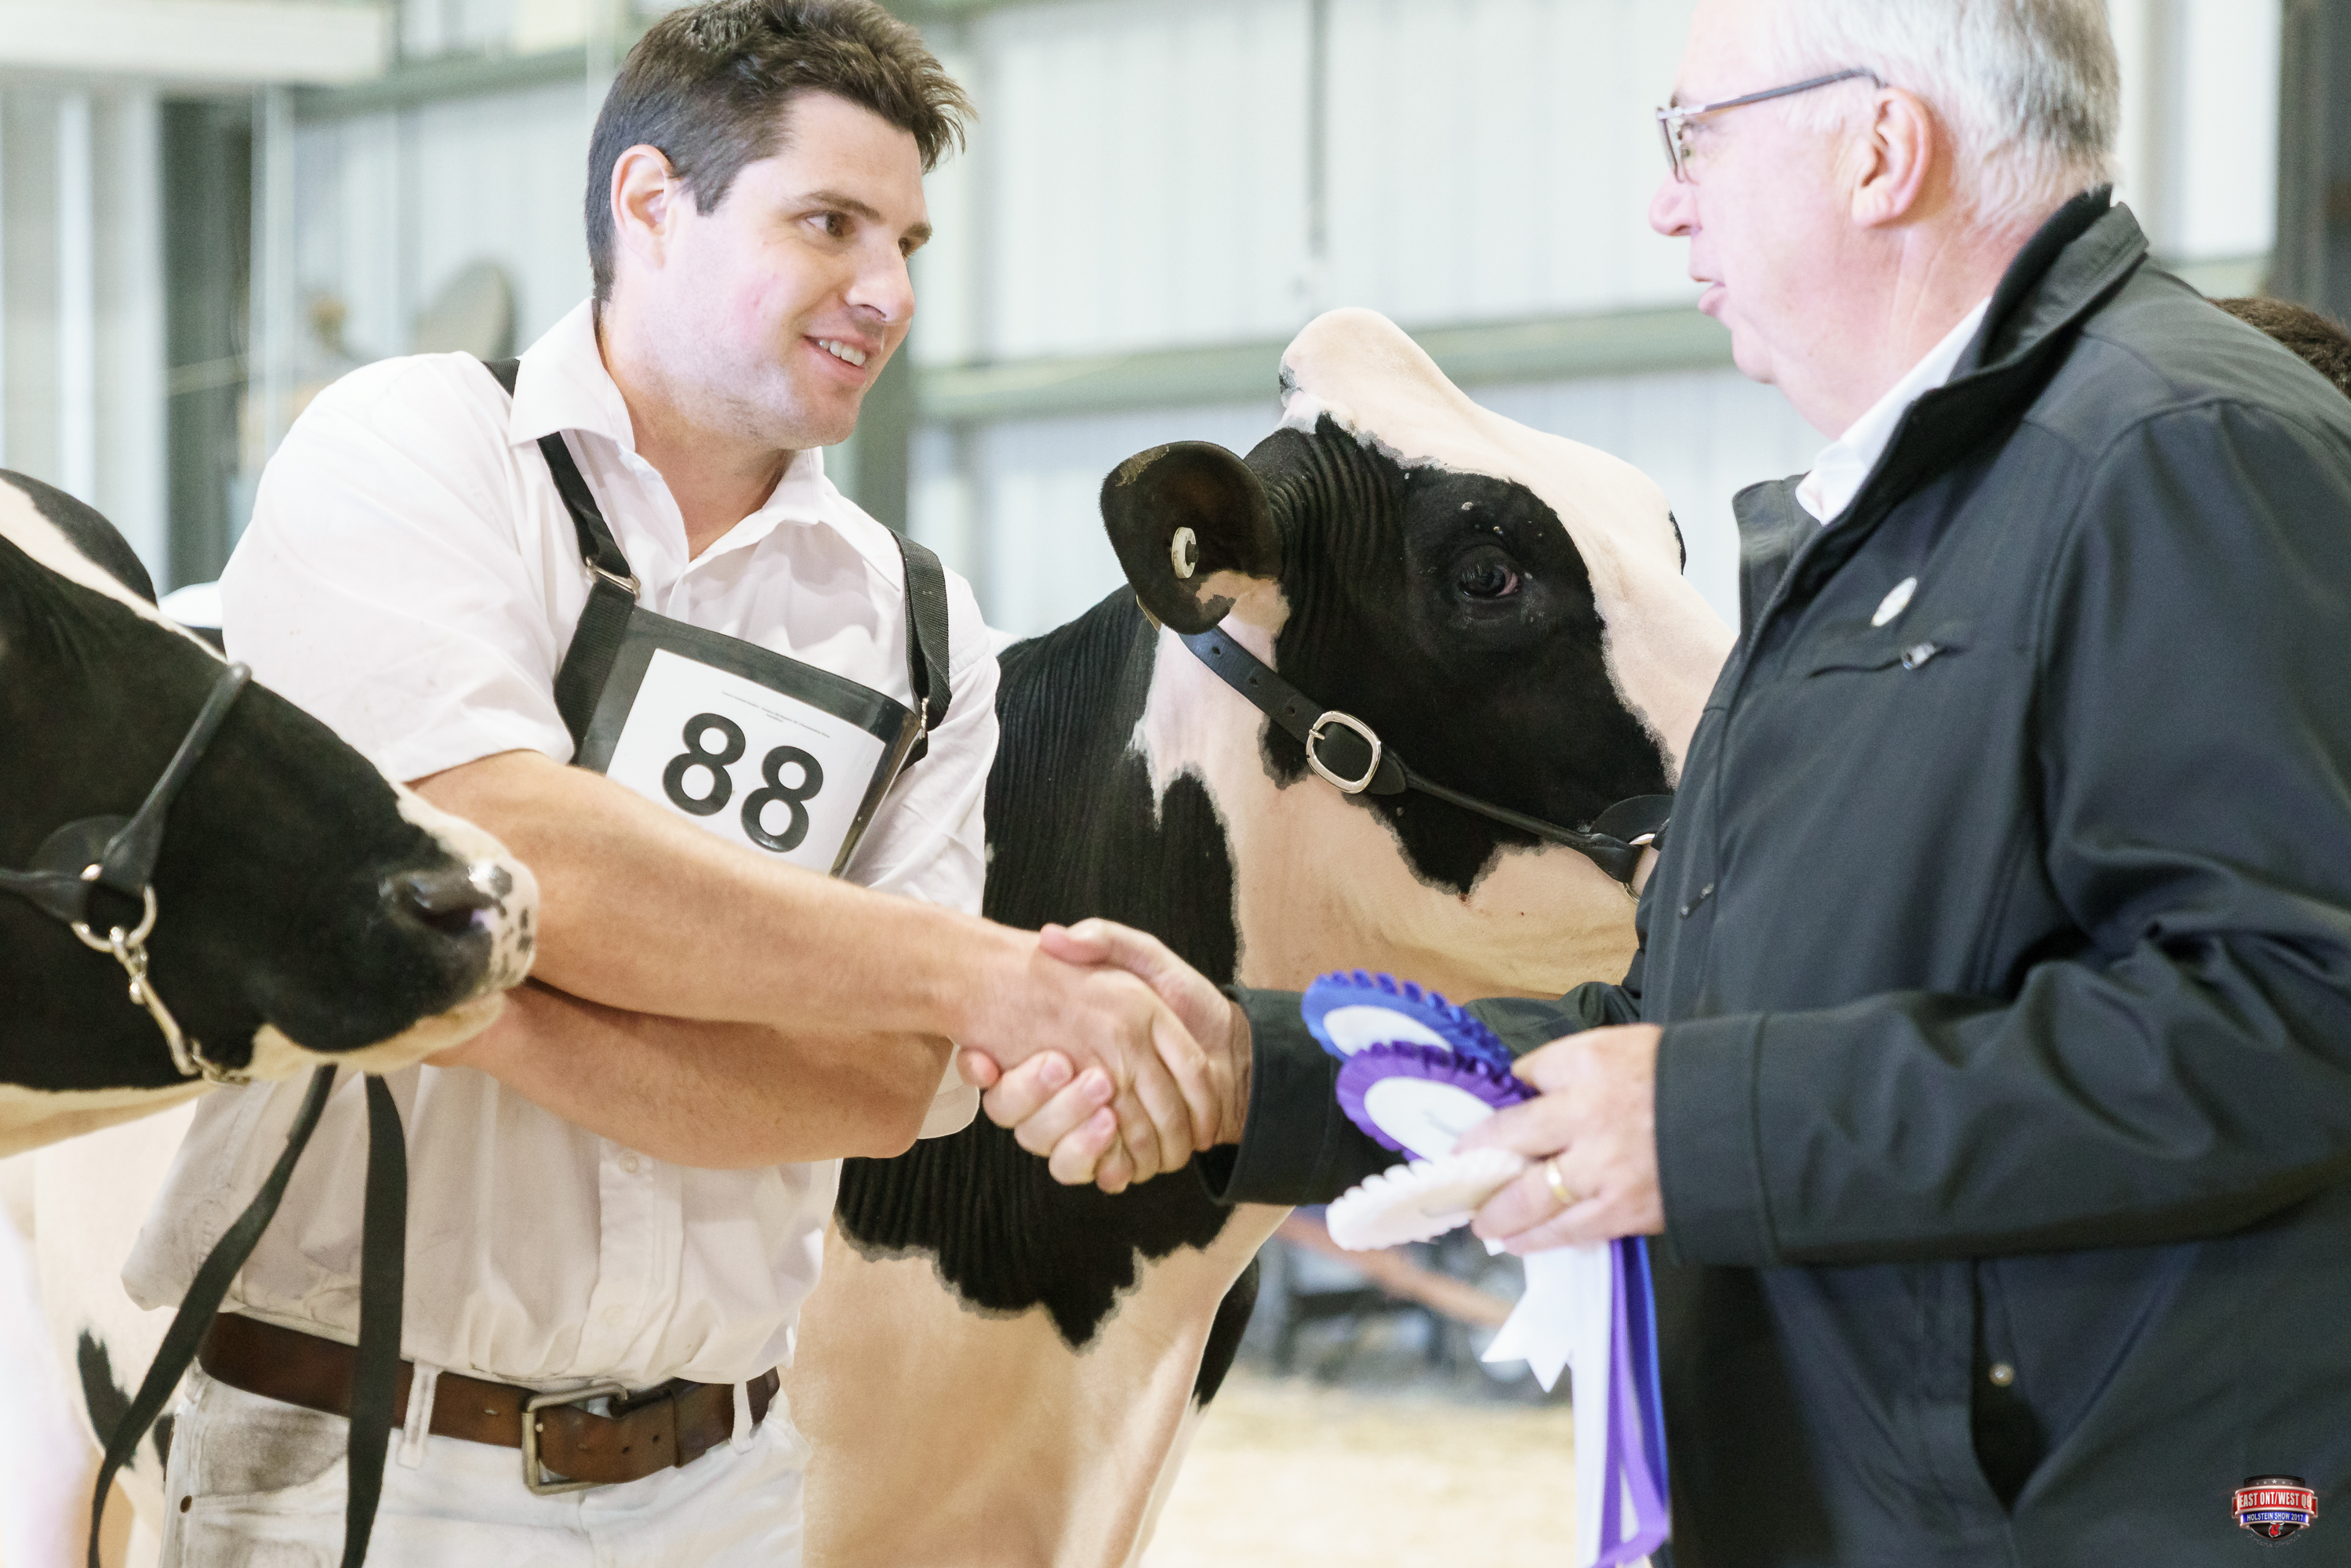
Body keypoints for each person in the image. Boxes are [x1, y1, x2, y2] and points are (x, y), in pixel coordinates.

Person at [975, 1, 2351, 1562]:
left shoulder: (2181, 451)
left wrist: (1697, 1127)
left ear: (1880, 148)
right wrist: (1261, 1068)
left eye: (1695, 136)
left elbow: (2294, 1016)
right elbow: (1685, 1033)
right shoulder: (1901, 515)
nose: (1665, 202)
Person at [123, 4, 1223, 1563]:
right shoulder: (418, 447)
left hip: (725, 1480)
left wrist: (485, 1014)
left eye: (906, 241)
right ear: (651, 202)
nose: (889, 292)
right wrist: (989, 978)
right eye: (828, 224)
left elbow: (882, 1085)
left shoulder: (919, 627)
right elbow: (504, 840)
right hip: (356, 1463)